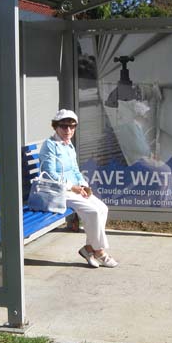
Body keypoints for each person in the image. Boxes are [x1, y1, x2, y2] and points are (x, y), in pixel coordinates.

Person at [39, 109, 118, 268]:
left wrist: (83, 185)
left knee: (102, 208)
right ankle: (99, 252)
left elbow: (75, 170)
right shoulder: (50, 146)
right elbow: (49, 175)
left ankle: (89, 248)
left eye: (72, 127)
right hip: (58, 191)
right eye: (64, 126)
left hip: (73, 189)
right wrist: (73, 187)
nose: (68, 130)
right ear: (56, 127)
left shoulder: (69, 146)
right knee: (93, 212)